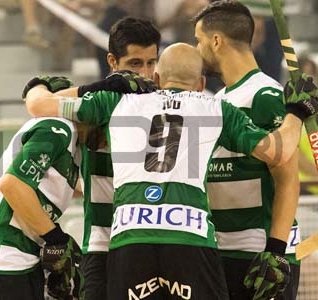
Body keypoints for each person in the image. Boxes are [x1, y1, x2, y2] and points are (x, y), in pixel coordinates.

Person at [24, 42, 316, 299]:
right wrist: (297, 110)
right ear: (201, 83)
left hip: (130, 239)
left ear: (157, 78)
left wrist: (40, 84)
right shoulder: (216, 108)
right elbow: (278, 151)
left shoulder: (116, 101)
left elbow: (38, 105)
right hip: (190, 239)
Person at [193, 1, 300, 298]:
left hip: (260, 253)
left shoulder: (265, 95)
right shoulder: (220, 98)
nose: (196, 49)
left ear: (216, 41)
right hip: (223, 249)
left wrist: (276, 251)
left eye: (198, 41)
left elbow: (288, 177)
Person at [0, 78, 83, 300]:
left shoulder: (48, 132)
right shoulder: (57, 128)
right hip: (3, 262)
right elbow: (13, 185)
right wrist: (56, 238)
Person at [79, 16, 161, 300]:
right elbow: (41, 104)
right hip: (102, 243)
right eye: (135, 64)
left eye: (152, 62)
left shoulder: (164, 104)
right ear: (112, 61)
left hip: (149, 239)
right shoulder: (97, 103)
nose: (146, 73)